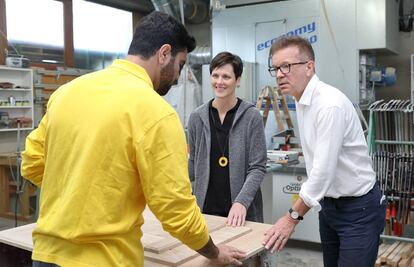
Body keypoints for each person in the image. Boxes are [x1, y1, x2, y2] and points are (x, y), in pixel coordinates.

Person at [21, 11, 246, 267]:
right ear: (164, 54)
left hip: (45, 255)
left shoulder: (66, 93)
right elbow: (175, 209)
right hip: (106, 260)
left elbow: (31, 163)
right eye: (180, 65)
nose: (177, 77)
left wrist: (80, 188)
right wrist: (214, 253)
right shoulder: (156, 112)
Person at [262, 36, 385, 267]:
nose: (279, 74)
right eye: (275, 68)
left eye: (286, 66)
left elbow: (322, 173)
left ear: (309, 67)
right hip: (329, 207)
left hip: (358, 209)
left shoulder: (329, 104)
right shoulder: (301, 100)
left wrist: (291, 218)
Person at [188, 52, 267, 227]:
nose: (219, 82)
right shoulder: (197, 117)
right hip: (205, 210)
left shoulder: (251, 116)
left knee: (243, 254)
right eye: (215, 76)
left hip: (240, 213)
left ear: (238, 80)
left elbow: (258, 167)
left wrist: (241, 203)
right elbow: (193, 163)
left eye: (226, 76)